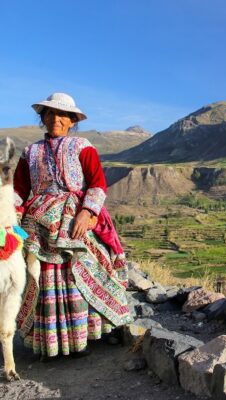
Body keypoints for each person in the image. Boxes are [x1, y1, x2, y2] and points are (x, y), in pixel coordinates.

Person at [13, 92, 131, 360]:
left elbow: (98, 182)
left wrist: (87, 213)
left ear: (72, 121)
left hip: (75, 211)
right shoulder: (29, 152)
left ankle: (82, 337)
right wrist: (11, 213)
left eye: (62, 114)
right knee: (39, 275)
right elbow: (20, 189)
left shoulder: (82, 146)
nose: (55, 118)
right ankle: (48, 343)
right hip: (39, 218)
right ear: (42, 118)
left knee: (80, 267)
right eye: (50, 113)